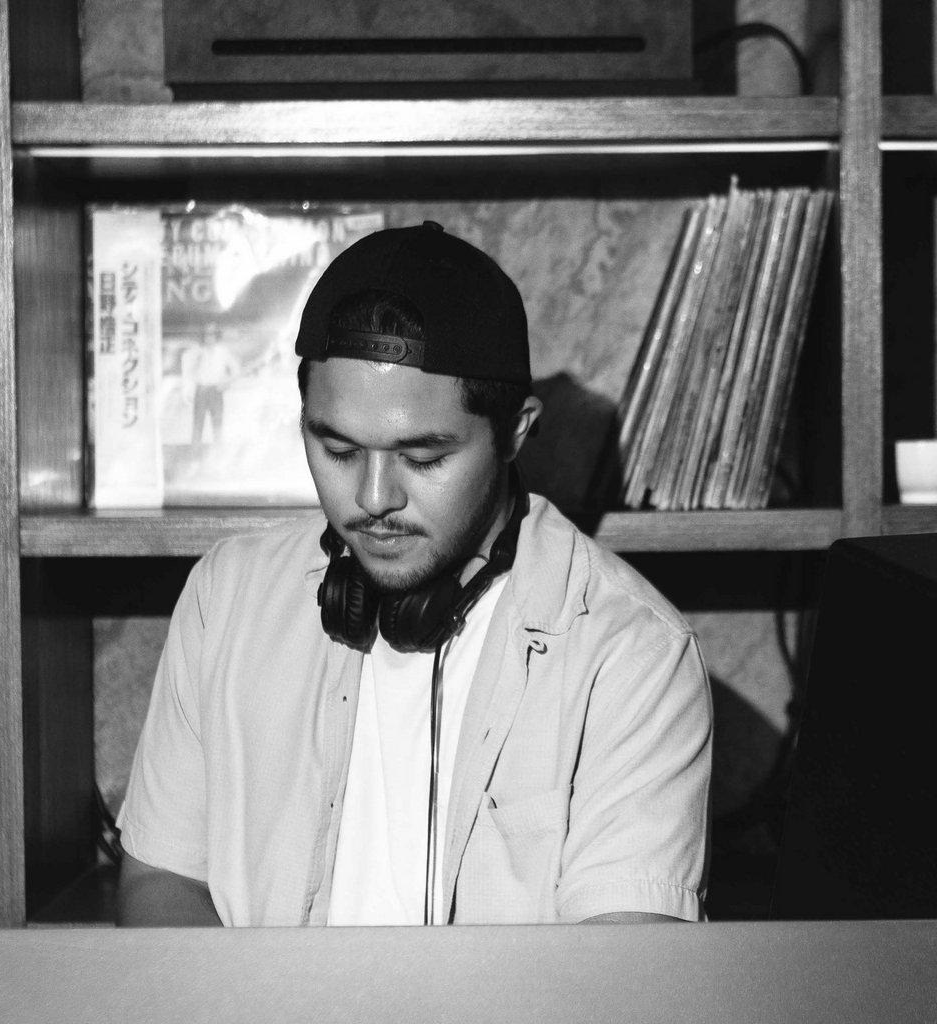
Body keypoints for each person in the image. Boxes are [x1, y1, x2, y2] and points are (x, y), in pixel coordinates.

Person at [116, 221, 712, 927]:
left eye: (423, 458)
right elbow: (160, 878)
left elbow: (623, 971)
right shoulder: (226, 597)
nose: (373, 499)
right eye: (338, 450)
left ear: (515, 432)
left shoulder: (634, 657)